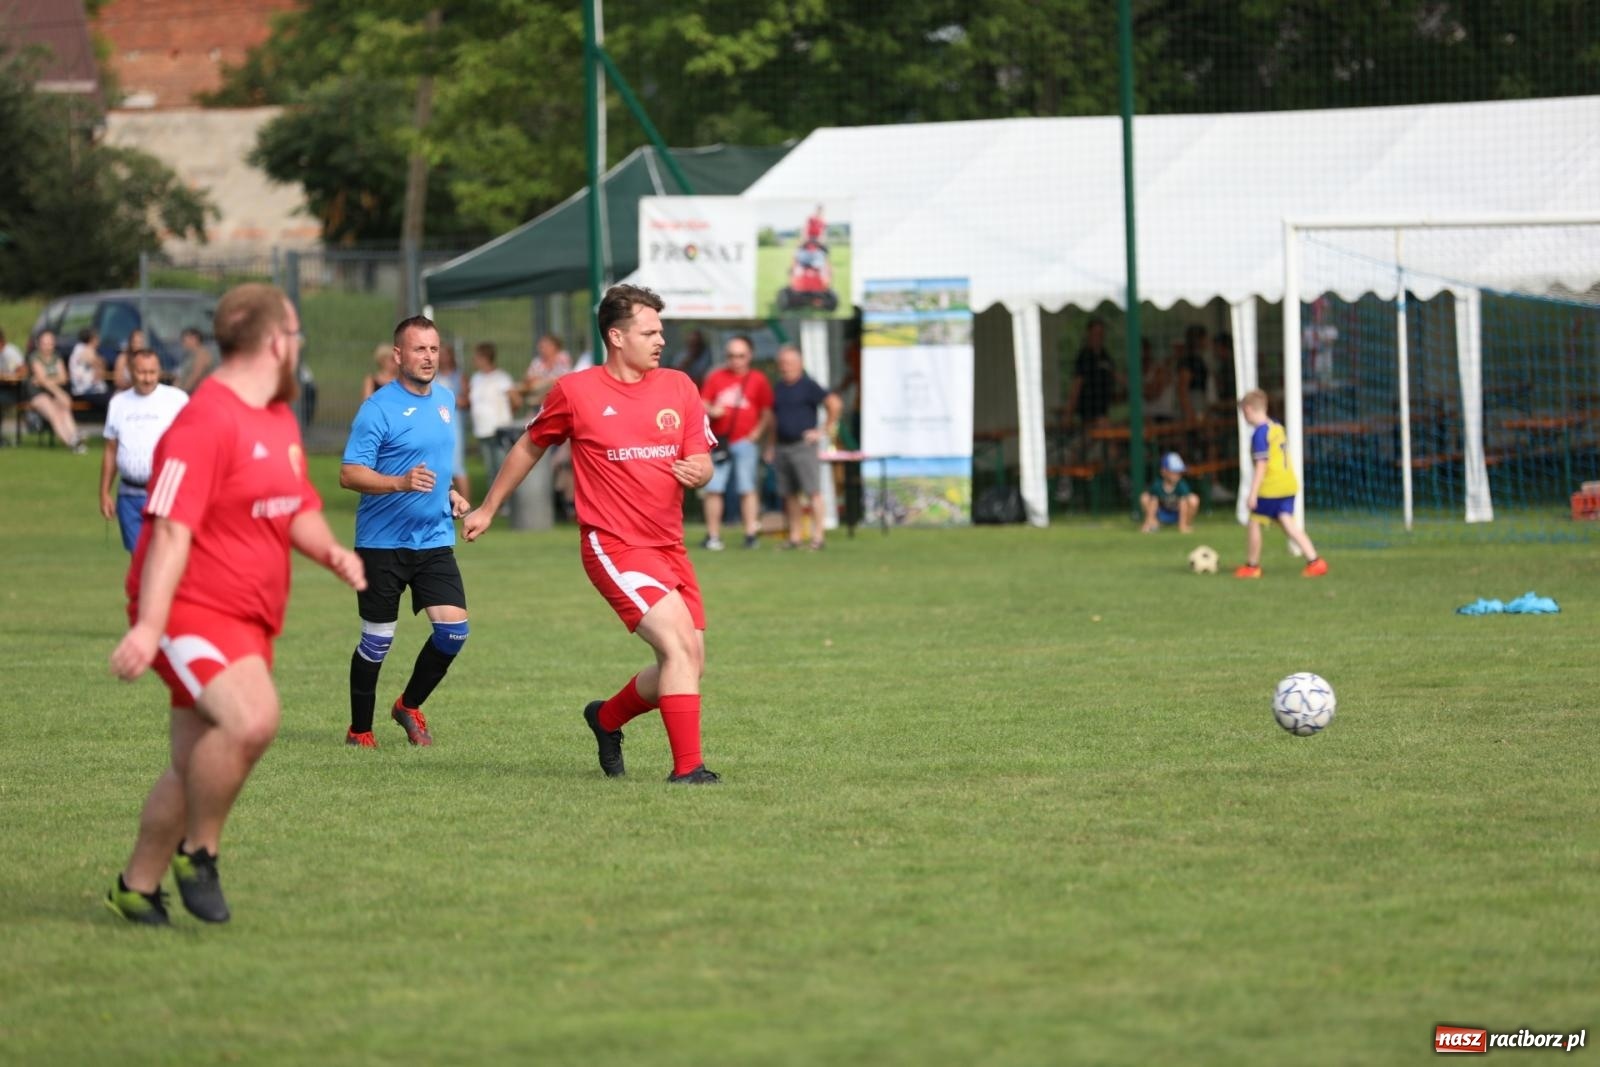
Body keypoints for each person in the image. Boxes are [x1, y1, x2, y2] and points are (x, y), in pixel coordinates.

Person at [105, 283, 366, 926]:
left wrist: (332, 552)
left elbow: (295, 502)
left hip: (247, 613)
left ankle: (136, 886)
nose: (297, 346)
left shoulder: (277, 415)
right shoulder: (203, 421)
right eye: (296, 335)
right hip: (187, 607)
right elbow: (168, 530)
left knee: (194, 761)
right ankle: (201, 852)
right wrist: (150, 628)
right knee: (253, 720)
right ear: (276, 342)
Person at [462, 283, 721, 784]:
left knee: (691, 660)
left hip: (670, 546)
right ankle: (689, 770)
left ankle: (606, 719)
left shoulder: (679, 387)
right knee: (678, 647)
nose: (660, 340)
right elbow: (527, 447)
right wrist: (489, 507)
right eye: (650, 331)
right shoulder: (576, 392)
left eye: (662, 331)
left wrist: (700, 474)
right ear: (616, 336)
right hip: (614, 545)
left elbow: (702, 459)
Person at [338, 316, 472, 748]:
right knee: (377, 641)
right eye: (419, 349)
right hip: (381, 544)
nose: (429, 357)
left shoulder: (446, 399)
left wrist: (450, 493)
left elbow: (434, 463)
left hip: (433, 539)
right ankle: (359, 730)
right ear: (398, 356)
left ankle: (408, 705)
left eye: (434, 349)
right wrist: (398, 482)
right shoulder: (377, 408)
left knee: (454, 632)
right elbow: (348, 474)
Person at [99, 349, 189, 551]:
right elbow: (111, 450)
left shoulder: (177, 400)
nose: (147, 378)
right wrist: (104, 492)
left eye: (152, 372)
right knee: (139, 559)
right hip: (129, 496)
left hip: (165, 493)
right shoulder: (118, 403)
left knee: (163, 556)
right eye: (142, 372)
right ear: (131, 371)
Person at [1235, 389, 1327, 579]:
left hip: (1271, 486)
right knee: (1286, 521)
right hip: (1288, 482)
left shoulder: (1260, 434)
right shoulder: (1276, 427)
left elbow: (1261, 464)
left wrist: (1252, 493)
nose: (1244, 417)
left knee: (1254, 522)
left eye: (1244, 412)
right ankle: (1315, 561)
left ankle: (1252, 566)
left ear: (1249, 409)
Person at [699, 334, 773, 550]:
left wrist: (757, 434)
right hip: (719, 441)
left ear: (749, 356)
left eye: (740, 356)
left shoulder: (757, 379)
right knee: (713, 488)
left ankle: (751, 533)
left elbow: (766, 411)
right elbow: (702, 402)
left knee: (747, 488)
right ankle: (713, 535)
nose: (736, 360)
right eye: (731, 356)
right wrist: (713, 410)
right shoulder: (716, 377)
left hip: (744, 441)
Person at [766, 344, 841, 549]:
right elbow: (773, 419)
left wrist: (823, 430)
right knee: (789, 495)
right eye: (782, 363)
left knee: (812, 492)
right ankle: (795, 537)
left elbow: (834, 403)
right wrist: (771, 446)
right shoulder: (779, 387)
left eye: (789, 363)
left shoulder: (808, 386)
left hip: (803, 446)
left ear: (800, 364)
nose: (785, 367)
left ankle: (818, 537)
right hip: (782, 446)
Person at [25, 330, 88, 451]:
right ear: (39, 344)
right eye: (45, 343)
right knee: (53, 412)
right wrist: (59, 392)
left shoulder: (56, 357)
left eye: (51, 343)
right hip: (37, 394)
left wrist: (46, 380)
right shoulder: (34, 357)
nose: (48, 346)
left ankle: (75, 436)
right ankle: (70, 442)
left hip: (52, 392)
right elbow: (42, 381)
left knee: (64, 409)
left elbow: (63, 378)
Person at [468, 341, 518, 490]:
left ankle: (508, 501)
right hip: (482, 429)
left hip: (498, 430)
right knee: (490, 469)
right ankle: (494, 503)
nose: (474, 360)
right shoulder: (475, 378)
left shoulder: (502, 378)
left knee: (502, 468)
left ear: (485, 357)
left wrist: (505, 418)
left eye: (476, 357)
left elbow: (516, 400)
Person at [435, 342, 471, 499]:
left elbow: (466, 400)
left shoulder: (458, 376)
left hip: (454, 422)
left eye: (445, 354)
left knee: (457, 466)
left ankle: (466, 503)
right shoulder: (433, 377)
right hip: (436, 423)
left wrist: (448, 400)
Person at [1139, 451, 1200, 533]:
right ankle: (1153, 523)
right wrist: (1147, 522)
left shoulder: (1181, 485)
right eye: (1174, 472)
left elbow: (1183, 504)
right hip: (1162, 513)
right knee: (1145, 497)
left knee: (1193, 499)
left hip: (1177, 514)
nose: (1177, 475)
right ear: (1164, 472)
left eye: (1179, 472)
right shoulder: (1158, 485)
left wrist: (1182, 525)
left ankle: (1185, 524)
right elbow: (1153, 503)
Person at [69, 327, 111, 420]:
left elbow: (101, 369)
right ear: (92, 339)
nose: (99, 341)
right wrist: (101, 363)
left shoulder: (84, 350)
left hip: (94, 390)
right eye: (97, 338)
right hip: (86, 390)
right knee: (112, 401)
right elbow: (100, 364)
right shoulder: (83, 350)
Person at [521, 332, 573, 407]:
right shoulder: (538, 361)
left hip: (558, 392)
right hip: (539, 391)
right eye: (541, 346)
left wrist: (542, 380)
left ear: (554, 347)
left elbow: (564, 378)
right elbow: (528, 378)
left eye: (545, 346)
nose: (541, 349)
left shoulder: (562, 357)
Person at [176, 327, 214, 393]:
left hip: (196, 393)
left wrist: (183, 391)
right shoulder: (190, 356)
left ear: (194, 338)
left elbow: (195, 376)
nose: (182, 343)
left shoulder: (201, 354)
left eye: (184, 340)